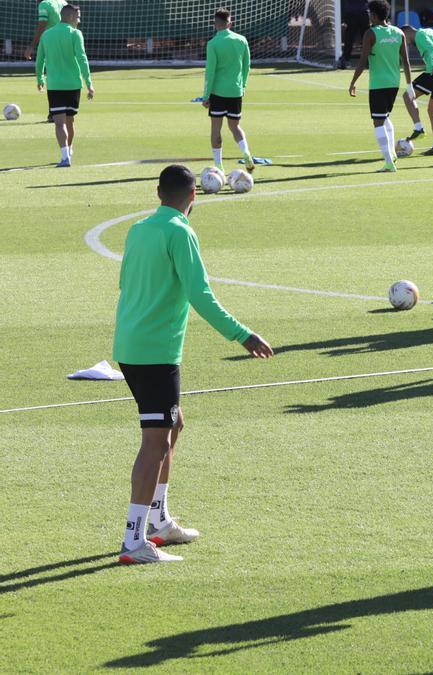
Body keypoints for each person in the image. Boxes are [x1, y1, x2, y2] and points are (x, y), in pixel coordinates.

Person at [113, 165, 274, 564]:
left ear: (157, 193)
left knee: (173, 424)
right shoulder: (180, 232)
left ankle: (159, 520)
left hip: (132, 345)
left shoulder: (139, 230)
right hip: (155, 352)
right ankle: (134, 540)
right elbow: (200, 294)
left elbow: (126, 283)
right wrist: (243, 335)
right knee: (155, 442)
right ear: (194, 196)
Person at [348, 0, 405, 172]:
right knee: (385, 117)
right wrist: (408, 84)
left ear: (373, 15)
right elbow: (407, 62)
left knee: (378, 122)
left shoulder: (370, 34)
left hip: (378, 84)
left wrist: (353, 81)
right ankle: (392, 155)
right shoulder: (398, 32)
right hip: (395, 82)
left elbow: (362, 61)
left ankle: (389, 162)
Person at [34, 2, 91, 168]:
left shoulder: (46, 35)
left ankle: (65, 156)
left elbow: (40, 60)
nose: (79, 20)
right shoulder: (76, 34)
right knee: (69, 121)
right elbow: (82, 59)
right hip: (73, 85)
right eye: (78, 17)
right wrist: (89, 83)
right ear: (72, 17)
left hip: (55, 86)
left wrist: (39, 79)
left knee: (60, 122)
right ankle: (68, 152)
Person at [202, 8, 255, 175]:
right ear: (229, 23)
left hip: (218, 92)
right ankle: (246, 153)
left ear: (214, 24)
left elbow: (210, 72)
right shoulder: (242, 40)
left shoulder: (213, 44)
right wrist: (243, 86)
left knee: (216, 129)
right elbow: (247, 66)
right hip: (236, 91)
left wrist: (205, 96)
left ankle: (219, 166)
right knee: (235, 126)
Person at [398, 23, 433, 155]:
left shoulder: (420, 35)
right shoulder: (430, 31)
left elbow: (431, 49)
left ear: (406, 32)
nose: (404, 45)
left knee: (407, 95)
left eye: (403, 40)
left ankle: (418, 128)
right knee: (432, 111)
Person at [24, 0, 66, 122]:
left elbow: (43, 24)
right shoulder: (63, 2)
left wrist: (32, 45)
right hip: (66, 40)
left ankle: (54, 113)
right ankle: (65, 111)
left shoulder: (44, 4)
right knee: (64, 74)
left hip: (52, 42)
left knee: (53, 77)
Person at [338, 0, 369, 69]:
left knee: (367, 38)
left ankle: (370, 60)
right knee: (349, 38)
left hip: (363, 12)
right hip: (350, 13)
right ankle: (345, 60)